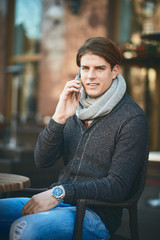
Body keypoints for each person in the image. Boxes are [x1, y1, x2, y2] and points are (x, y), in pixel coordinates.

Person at [0, 37, 148, 240]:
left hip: (96, 215)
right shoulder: (74, 108)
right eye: (85, 68)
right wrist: (59, 118)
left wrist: (60, 192)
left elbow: (118, 186)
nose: (90, 76)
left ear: (115, 71)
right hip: (60, 200)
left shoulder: (132, 118)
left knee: (25, 228)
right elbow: (42, 160)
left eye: (99, 68)